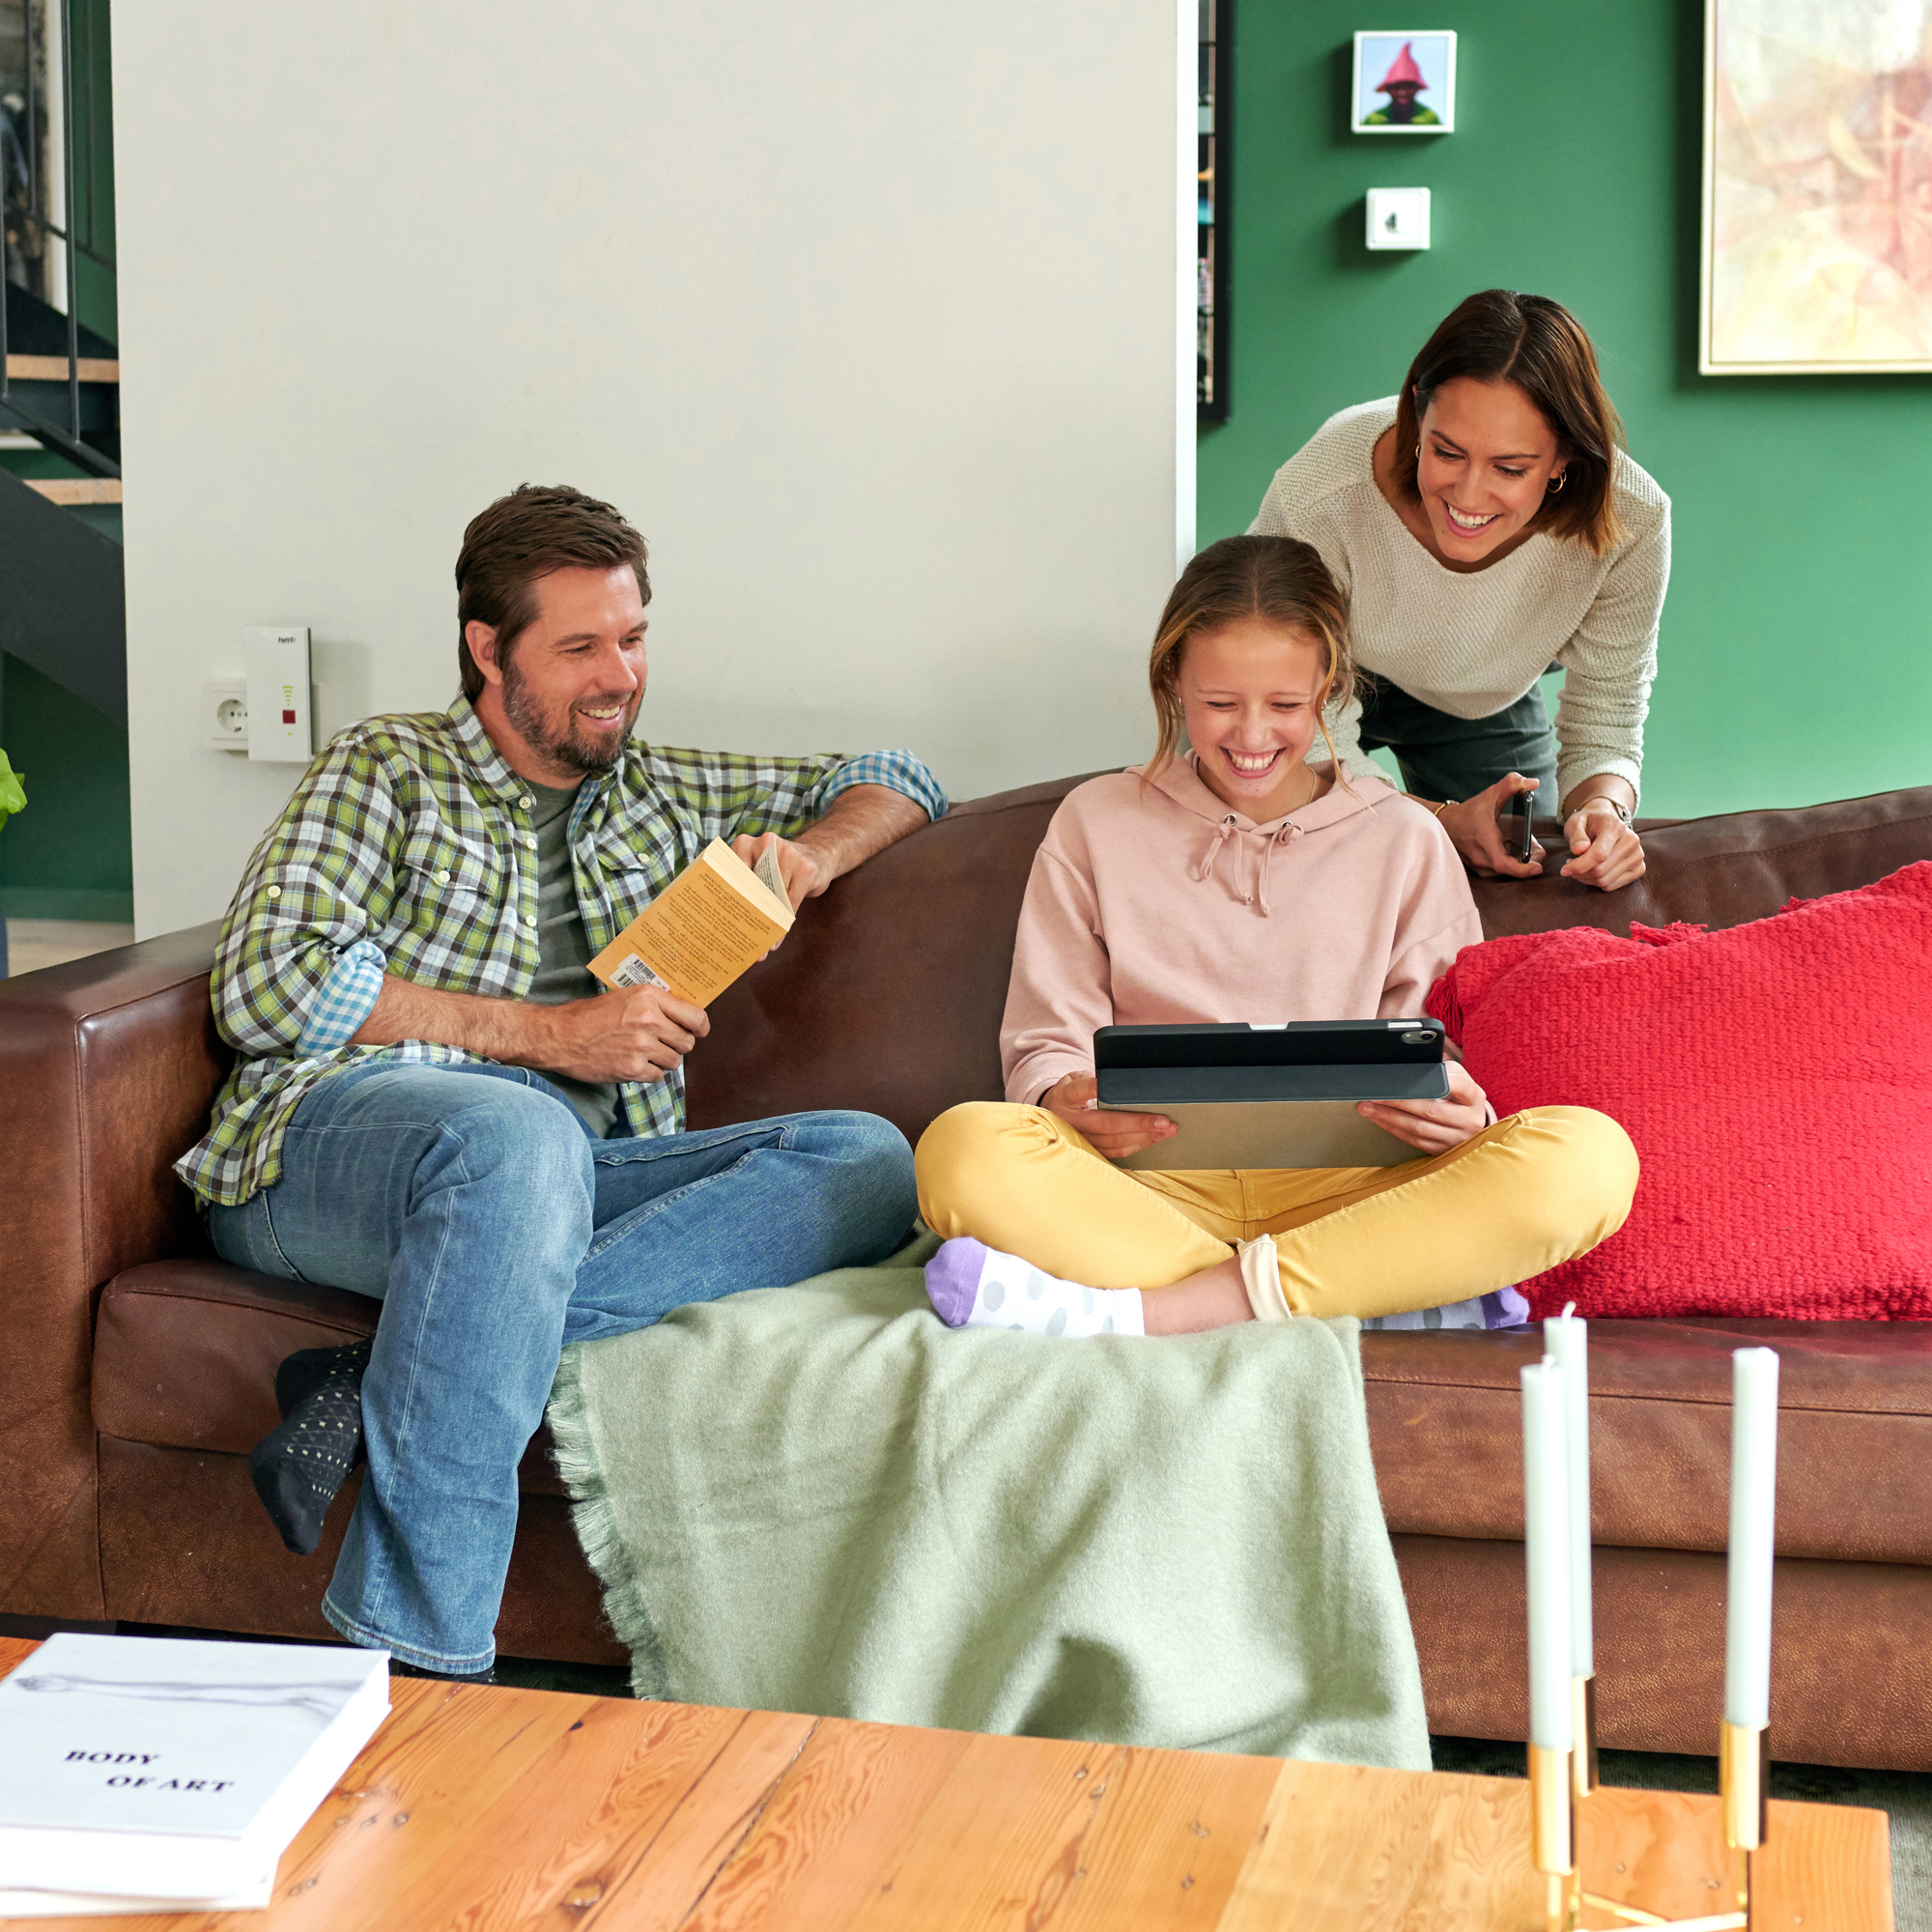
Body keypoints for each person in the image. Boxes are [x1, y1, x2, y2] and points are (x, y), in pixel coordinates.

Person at [181, 483, 944, 1680]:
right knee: (514, 1134)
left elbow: (897, 774)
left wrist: (815, 850)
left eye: (632, 638)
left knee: (867, 1159)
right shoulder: (387, 766)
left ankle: (387, 1371)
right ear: (489, 650)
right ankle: (424, 1659)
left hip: (561, 1186)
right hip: (332, 1151)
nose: (619, 676)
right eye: (580, 646)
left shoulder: (659, 791)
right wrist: (552, 1038)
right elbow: (264, 985)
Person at [912, 533, 1636, 1340]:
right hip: (1143, 1188)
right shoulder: (1095, 820)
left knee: (1590, 1158)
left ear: (1331, 689)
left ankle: (1162, 1312)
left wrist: (1460, 1110)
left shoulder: (1403, 836)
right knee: (961, 1150)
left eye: (1287, 706)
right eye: (1221, 704)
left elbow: (1442, 1045)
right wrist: (1062, 1095)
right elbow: (1048, 1040)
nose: (1252, 737)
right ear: (1173, 681)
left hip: (1357, 1192)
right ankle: (1367, 1294)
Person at [1249, 289, 1670, 895]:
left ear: (1563, 458)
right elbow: (1295, 716)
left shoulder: (1630, 520)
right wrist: (1440, 822)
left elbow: (1608, 711)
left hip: (1480, 698)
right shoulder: (1321, 493)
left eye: (1510, 469)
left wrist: (1603, 810)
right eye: (1447, 452)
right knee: (1286, 849)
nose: (1469, 497)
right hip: (1314, 685)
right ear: (1417, 415)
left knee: (1519, 869)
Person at [1361, 43, 1441, 127]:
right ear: (1388, 89)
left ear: (1417, 88)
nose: (1402, 93)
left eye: (1408, 87)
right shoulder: (1374, 121)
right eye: (1396, 87)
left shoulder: (1429, 120)